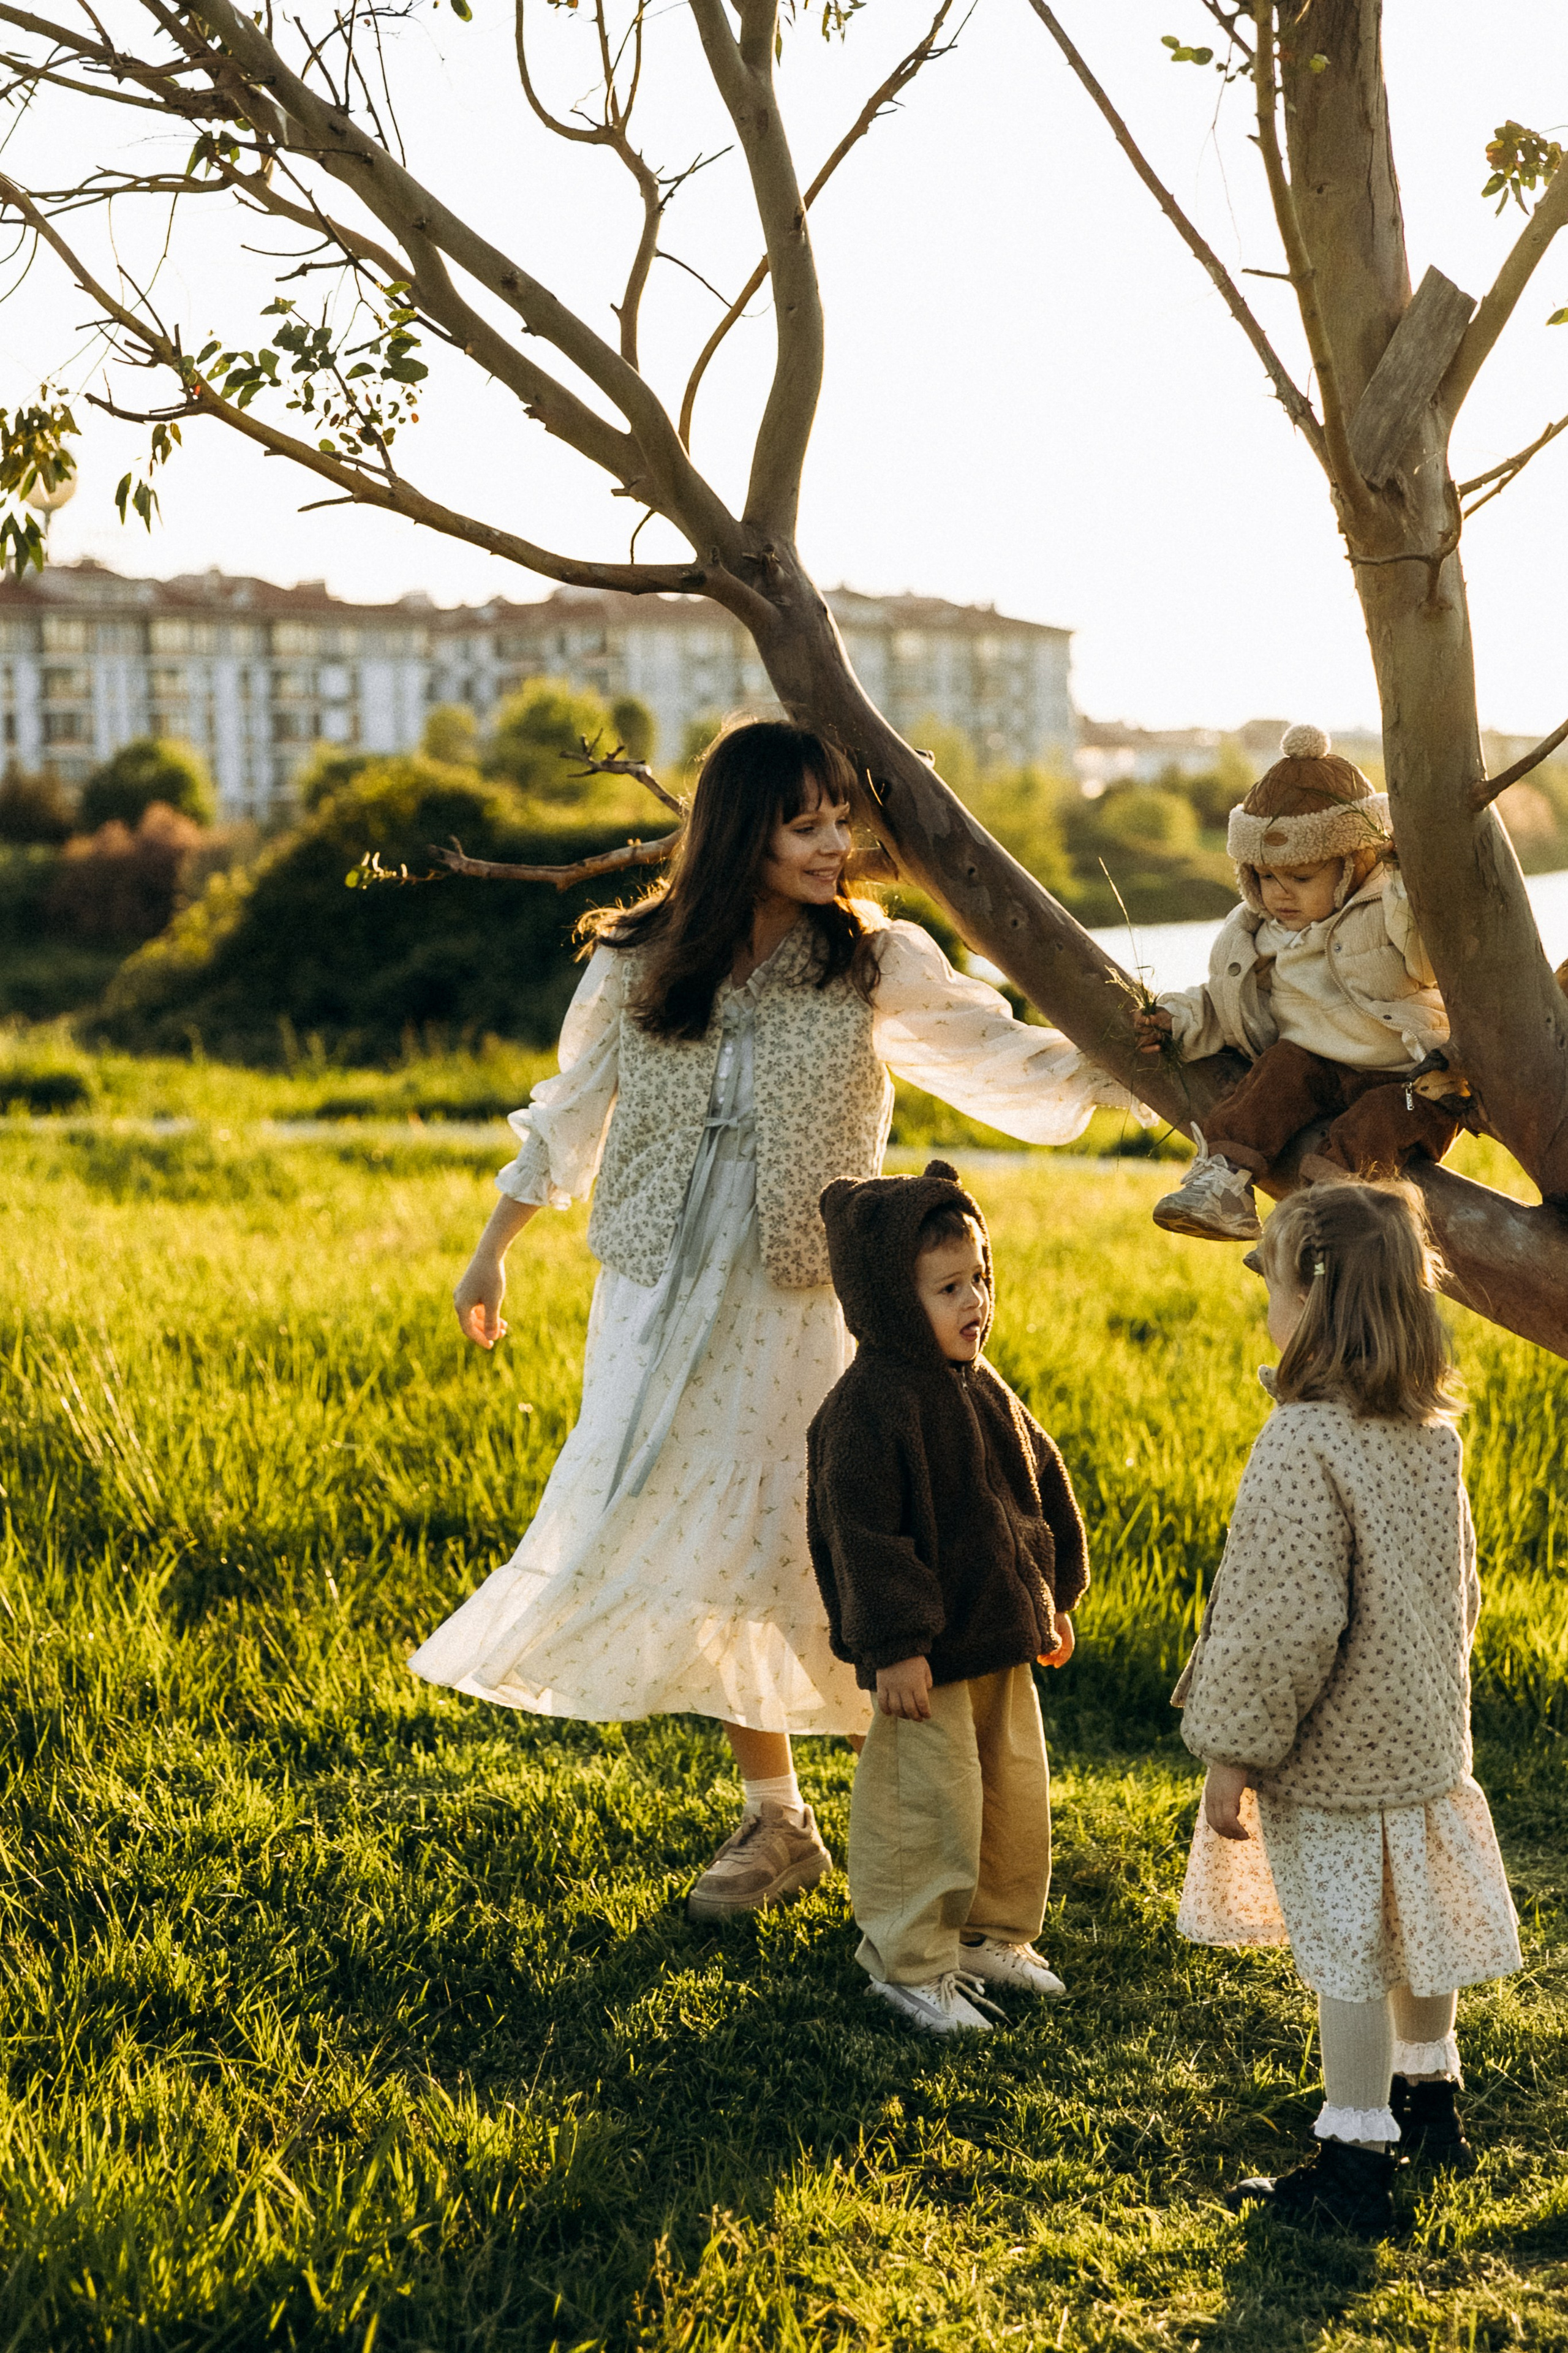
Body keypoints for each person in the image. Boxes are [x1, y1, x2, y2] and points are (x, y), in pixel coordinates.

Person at [408, 718, 1136, 1921]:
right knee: (707, 1544)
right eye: (806, 823)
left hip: (802, 1300)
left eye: (841, 820)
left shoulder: (870, 960)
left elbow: (994, 1054)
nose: (834, 843)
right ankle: (776, 1818)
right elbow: (570, 1110)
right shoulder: (639, 957)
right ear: (743, 830)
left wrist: (1129, 1061)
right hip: (654, 1297)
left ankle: (932, 1818)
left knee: (829, 1535)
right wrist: (491, 1253)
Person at [1174, 1178, 1520, 2237]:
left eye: (1272, 1286)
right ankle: (1432, 2100)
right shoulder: (1430, 1435)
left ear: (1315, 1306)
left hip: (1335, 1758)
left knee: (1351, 1952)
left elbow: (1282, 1620)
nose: (1265, 1307)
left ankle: (1355, 2155)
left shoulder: (1303, 1443)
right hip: (1422, 1739)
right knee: (1419, 1932)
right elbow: (1460, 1589)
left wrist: (1231, 1750)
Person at [806, 1159, 1086, 2036]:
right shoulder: (868, 1409)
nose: (976, 1303)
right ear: (891, 1299)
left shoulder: (983, 1385)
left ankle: (990, 1931)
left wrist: (1051, 1594)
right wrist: (893, 1643)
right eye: (948, 1289)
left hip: (999, 1637)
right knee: (924, 1808)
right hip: (924, 1660)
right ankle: (909, 1958)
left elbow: (1036, 1486)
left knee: (1009, 1793)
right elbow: (860, 1534)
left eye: (981, 1279)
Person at [1133, 724, 1464, 1244]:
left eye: (1302, 879)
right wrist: (1178, 1019)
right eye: (1265, 877)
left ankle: (1317, 1230)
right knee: (1275, 1075)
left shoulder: (1389, 911)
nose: (1281, 894)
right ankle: (1223, 1185)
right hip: (1318, 1070)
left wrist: (1407, 883)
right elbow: (1226, 1002)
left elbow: (1431, 961)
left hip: (1410, 1081)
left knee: (1376, 1127)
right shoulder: (1261, 937)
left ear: (1354, 863)